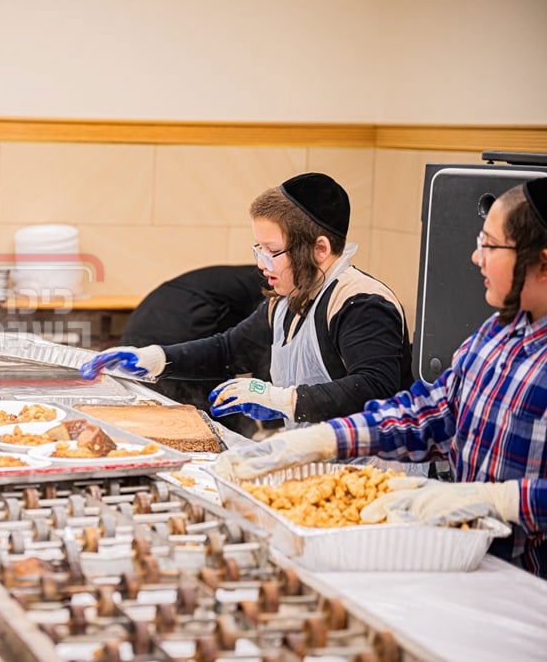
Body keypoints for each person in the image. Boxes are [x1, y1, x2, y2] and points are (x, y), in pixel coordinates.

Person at [215, 178, 547, 577]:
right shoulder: (496, 332)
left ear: (542, 262)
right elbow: (431, 413)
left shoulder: (361, 301)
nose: (477, 258)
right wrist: (324, 440)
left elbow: (374, 381)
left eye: (491, 246)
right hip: (472, 562)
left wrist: (500, 500)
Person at [83, 173, 413, 430]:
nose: (261, 263)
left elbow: (374, 386)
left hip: (377, 475)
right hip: (321, 466)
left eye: (272, 251)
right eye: (258, 249)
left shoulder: (361, 303)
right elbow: (228, 351)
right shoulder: (285, 303)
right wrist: (155, 358)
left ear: (320, 250)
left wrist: (281, 399)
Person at [121, 265, 269, 432]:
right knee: (207, 425)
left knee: (164, 418)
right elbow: (267, 350)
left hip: (143, 321)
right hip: (181, 330)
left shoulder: (253, 276)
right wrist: (273, 426)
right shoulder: (276, 286)